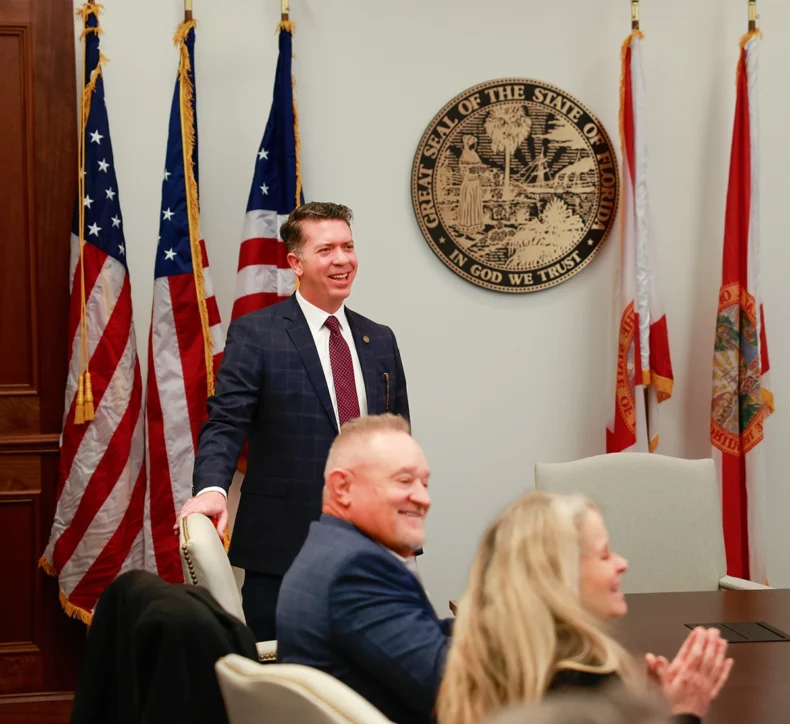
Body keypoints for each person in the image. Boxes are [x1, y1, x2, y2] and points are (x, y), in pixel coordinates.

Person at [175, 202, 410, 641]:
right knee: (285, 688)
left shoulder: (379, 339)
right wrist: (210, 490)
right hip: (284, 550)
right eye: (326, 250)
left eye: (348, 246)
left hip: (374, 550)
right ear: (295, 263)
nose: (342, 259)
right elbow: (225, 422)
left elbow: (399, 441)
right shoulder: (257, 334)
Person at [436, 492, 733, 724]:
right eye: (604, 555)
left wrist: (640, 708)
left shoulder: (498, 664)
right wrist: (683, 711)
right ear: (560, 578)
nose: (622, 563)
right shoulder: (585, 686)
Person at [276, 414, 452, 724]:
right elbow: (452, 686)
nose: (424, 498)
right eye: (404, 480)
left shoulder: (329, 548)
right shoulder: (357, 571)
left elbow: (421, 634)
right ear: (342, 487)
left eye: (425, 482)